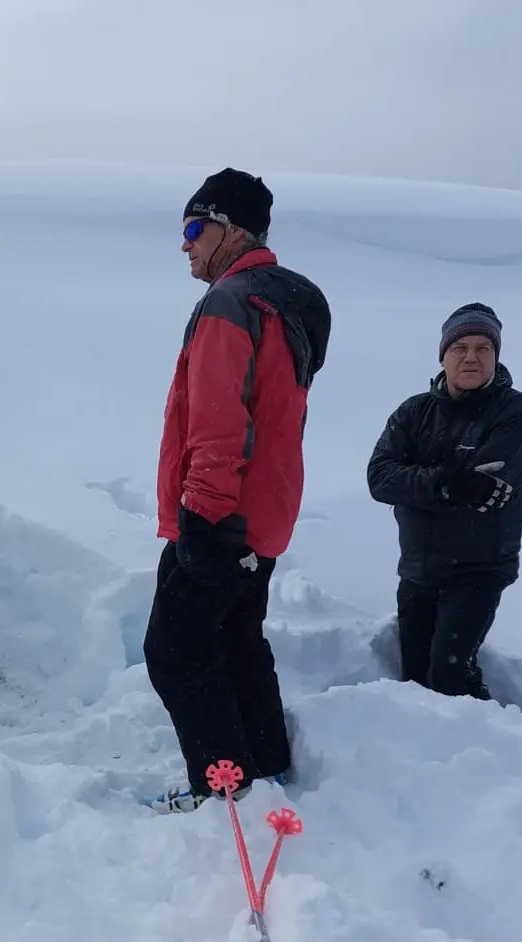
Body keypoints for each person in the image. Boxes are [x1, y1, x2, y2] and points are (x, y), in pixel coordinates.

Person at [145, 169, 332, 814]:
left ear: (233, 230)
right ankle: (267, 761)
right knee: (236, 638)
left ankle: (223, 788)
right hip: (265, 514)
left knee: (174, 654)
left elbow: (220, 424)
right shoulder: (283, 301)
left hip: (221, 517)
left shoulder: (231, 303)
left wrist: (203, 519)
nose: (187, 245)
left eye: (196, 228)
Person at [366, 303, 522, 700]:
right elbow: (379, 479)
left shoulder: (517, 414)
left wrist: (418, 481)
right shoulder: (413, 412)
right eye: (460, 347)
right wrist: (448, 482)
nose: (471, 357)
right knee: (413, 680)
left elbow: (484, 488)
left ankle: (490, 753)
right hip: (417, 568)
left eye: (483, 348)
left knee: (450, 677)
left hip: (479, 568)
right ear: (442, 355)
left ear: (496, 357)